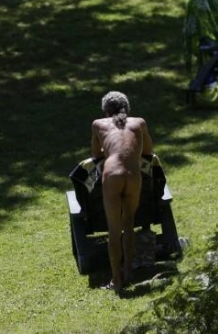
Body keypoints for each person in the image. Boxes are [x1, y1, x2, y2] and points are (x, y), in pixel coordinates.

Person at [91, 91, 154, 293]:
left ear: (106, 111)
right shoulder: (139, 123)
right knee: (129, 225)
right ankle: (128, 271)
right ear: (127, 108)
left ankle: (116, 281)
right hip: (133, 175)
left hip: (112, 175)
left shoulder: (98, 124)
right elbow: (148, 151)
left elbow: (95, 154)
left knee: (114, 229)